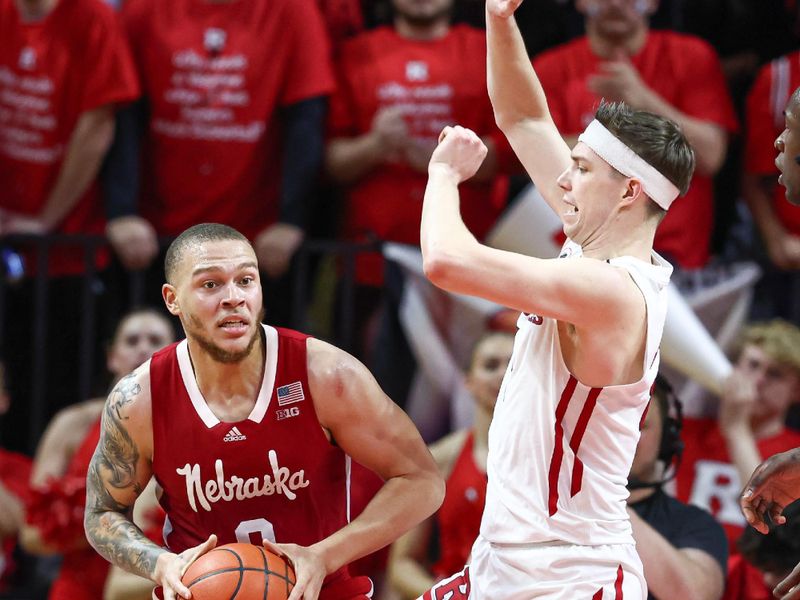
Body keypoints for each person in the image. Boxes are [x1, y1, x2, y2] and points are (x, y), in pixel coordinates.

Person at [418, 0, 695, 596]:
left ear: (628, 191)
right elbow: (523, 119)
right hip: (508, 558)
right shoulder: (588, 241)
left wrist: (442, 177)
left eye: (581, 169)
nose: (562, 181)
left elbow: (446, 261)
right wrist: (498, 20)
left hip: (569, 573)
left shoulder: (613, 290)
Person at [83, 223, 444, 600]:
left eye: (245, 280)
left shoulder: (325, 375)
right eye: (211, 285)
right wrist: (161, 563)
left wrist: (323, 556)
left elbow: (422, 480)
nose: (233, 297)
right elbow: (101, 513)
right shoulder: (142, 399)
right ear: (173, 299)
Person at [112, 0, 335, 323]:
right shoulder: (143, 9)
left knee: (260, 364)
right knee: (159, 365)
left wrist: (291, 220)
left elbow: (307, 118)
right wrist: (122, 212)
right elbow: (123, 113)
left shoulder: (292, 11)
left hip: (258, 239)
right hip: (156, 235)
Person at [324, 0, 512, 355]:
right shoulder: (354, 53)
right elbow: (331, 162)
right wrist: (375, 145)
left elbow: (511, 152)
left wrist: (431, 159)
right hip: (369, 261)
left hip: (469, 260)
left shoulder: (489, 47)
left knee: (469, 392)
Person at [0, 0, 140, 454]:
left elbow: (98, 127)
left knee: (55, 394)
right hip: (11, 239)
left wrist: (43, 220)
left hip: (69, 252)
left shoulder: (92, 18)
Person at [530, 0, 737, 272]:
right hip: (579, 255)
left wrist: (642, 99)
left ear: (653, 3)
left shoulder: (692, 55)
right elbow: (537, 155)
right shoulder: (550, 68)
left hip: (676, 261)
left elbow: (711, 156)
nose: (616, 3)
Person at [20, 309, 175, 600]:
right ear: (112, 356)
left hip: (149, 590)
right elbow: (31, 535)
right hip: (78, 590)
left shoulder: (194, 427)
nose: (143, 348)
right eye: (131, 341)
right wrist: (101, 519)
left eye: (155, 340)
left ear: (176, 354)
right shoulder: (73, 425)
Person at [386, 331, 514, 599]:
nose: (503, 374)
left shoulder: (553, 458)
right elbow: (401, 565)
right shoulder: (440, 459)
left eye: (513, 366)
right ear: (468, 381)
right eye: (491, 365)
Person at [674, 319, 800, 554]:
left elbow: (777, 529)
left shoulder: (795, 454)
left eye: (775, 374)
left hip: (751, 581)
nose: (759, 380)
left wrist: (737, 431)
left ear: (797, 390)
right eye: (752, 365)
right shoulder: (683, 431)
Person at [626, 376, 727, 600]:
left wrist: (606, 498)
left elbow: (694, 596)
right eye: (611, 425)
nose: (623, 436)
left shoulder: (694, 524)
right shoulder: (547, 505)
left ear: (666, 438)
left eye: (639, 425)